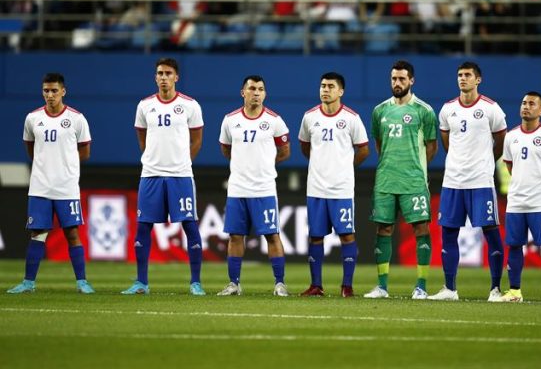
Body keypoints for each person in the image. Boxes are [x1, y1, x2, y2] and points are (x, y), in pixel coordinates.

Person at [122, 58, 206, 296]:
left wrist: (183, 162)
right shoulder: (144, 105)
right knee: (143, 226)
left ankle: (196, 283)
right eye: (160, 73)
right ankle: (141, 282)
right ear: (155, 77)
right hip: (151, 175)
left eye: (168, 73)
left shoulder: (190, 105)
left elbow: (197, 140)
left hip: (181, 175)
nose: (163, 77)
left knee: (190, 225)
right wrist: (152, 159)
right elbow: (142, 138)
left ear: (176, 77)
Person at [8, 73, 94, 294]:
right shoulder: (32, 118)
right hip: (40, 187)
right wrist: (45, 165)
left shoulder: (77, 119)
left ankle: (82, 282)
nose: (50, 95)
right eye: (46, 91)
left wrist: (66, 166)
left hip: (67, 187)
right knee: (38, 233)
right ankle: (28, 283)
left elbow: (85, 152)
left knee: (72, 233)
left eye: (54, 90)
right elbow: (30, 148)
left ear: (63, 91)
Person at [427, 62, 507, 302]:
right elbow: (446, 141)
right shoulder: (448, 109)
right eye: (460, 75)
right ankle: (450, 289)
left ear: (478, 79)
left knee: (491, 233)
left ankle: (495, 289)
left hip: (481, 181)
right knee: (448, 233)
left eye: (468, 75)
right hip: (453, 182)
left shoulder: (491, 108)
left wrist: (486, 160)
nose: (463, 78)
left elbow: (501, 140)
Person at [364, 60, 438, 299]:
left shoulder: (424, 111)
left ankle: (421, 286)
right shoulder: (379, 111)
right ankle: (382, 287)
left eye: (402, 79)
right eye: (394, 79)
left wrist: (415, 167)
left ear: (411, 81)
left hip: (413, 181)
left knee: (421, 228)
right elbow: (379, 145)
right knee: (384, 229)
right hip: (386, 181)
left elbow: (431, 147)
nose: (397, 83)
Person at [217, 76, 291, 297]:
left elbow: (285, 151)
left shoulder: (274, 121)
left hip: (264, 189)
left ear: (265, 94)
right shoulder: (230, 120)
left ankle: (280, 283)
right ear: (243, 92)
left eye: (260, 89)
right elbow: (226, 149)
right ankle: (234, 284)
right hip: (237, 188)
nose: (256, 93)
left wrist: (264, 165)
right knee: (235, 236)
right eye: (252, 88)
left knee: (272, 235)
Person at [298, 72, 370, 297]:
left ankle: (347, 286)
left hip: (341, 190)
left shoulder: (351, 118)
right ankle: (316, 285)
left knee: (346, 235)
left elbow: (364, 149)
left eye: (330, 86)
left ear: (341, 91)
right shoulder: (309, 117)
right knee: (315, 236)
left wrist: (346, 167)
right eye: (323, 86)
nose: (325, 90)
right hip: (316, 188)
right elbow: (305, 146)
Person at [499, 92, 541, 304]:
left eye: (531, 103)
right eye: (523, 103)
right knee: (514, 245)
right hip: (516, 202)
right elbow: (509, 164)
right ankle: (515, 291)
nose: (526, 106)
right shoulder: (511, 136)